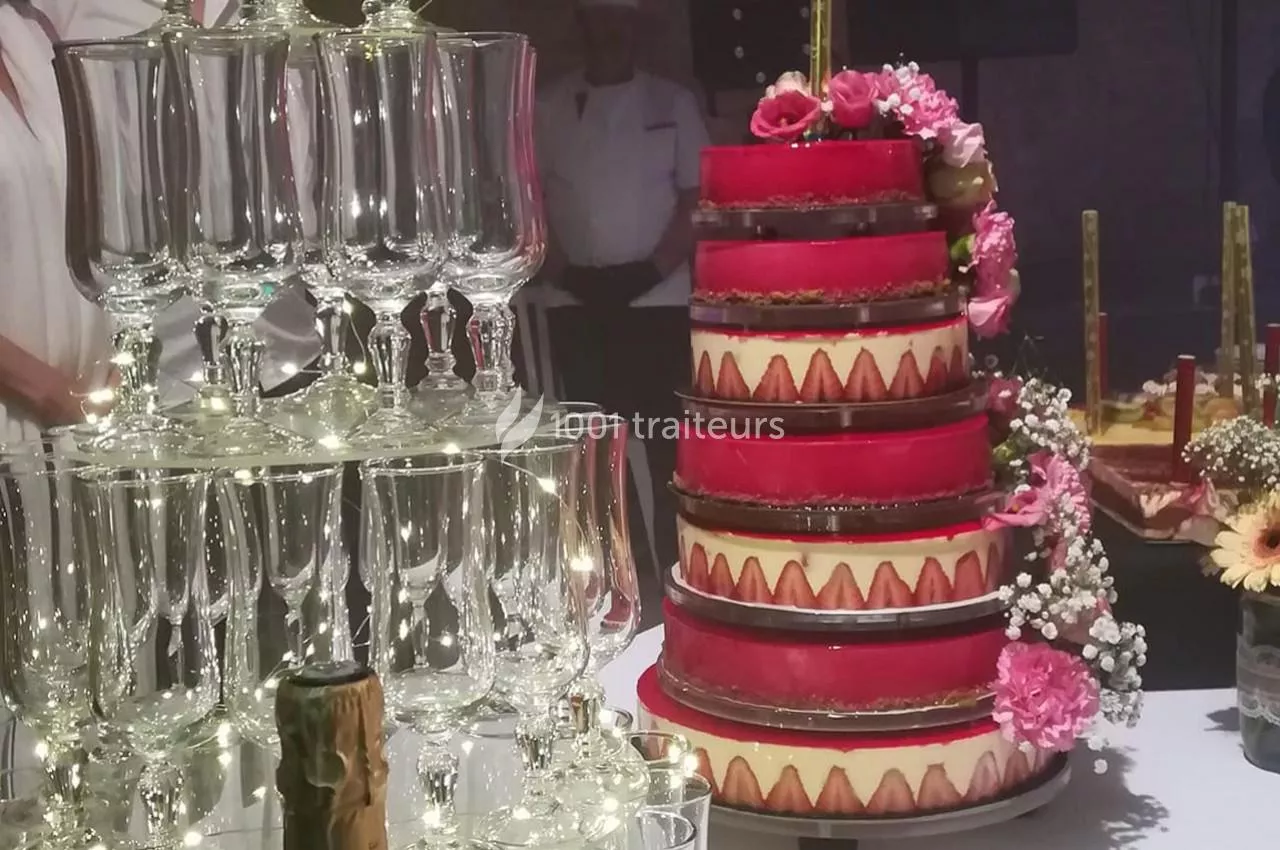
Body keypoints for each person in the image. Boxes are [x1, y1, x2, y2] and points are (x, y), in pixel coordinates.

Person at [534, 0, 709, 573]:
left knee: (667, 447)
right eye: (599, 20)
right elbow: (528, 197)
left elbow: (697, 198)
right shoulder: (546, 106)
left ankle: (681, 570)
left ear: (634, 28)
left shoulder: (672, 102)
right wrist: (564, 272)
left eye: (619, 20)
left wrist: (652, 270)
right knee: (598, 452)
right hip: (575, 303)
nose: (609, 32)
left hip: (658, 302)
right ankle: (623, 578)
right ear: (582, 25)